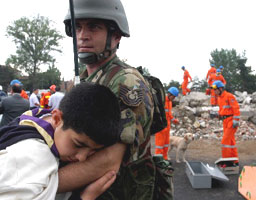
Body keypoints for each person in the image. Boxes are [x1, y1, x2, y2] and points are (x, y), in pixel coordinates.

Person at [60, 0, 160, 199]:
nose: (82, 36)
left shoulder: (126, 82)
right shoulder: (85, 80)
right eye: (78, 27)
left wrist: (37, 184)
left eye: (94, 27)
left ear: (115, 36)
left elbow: (109, 161)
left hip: (121, 192)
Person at [0, 83, 121, 200]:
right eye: (78, 144)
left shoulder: (37, 116)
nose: (82, 158)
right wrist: (85, 197)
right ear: (57, 119)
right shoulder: (36, 157)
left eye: (93, 151)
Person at [211, 80, 240, 167]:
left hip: (231, 121)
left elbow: (236, 108)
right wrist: (217, 115)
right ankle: (235, 160)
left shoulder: (229, 96)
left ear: (220, 88)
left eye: (215, 89)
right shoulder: (220, 98)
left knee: (225, 141)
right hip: (225, 121)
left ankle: (227, 162)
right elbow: (223, 110)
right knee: (231, 142)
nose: (214, 91)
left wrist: (236, 119)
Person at [155, 87, 180, 160]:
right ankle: (158, 160)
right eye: (173, 96)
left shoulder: (170, 102)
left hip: (167, 126)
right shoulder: (162, 101)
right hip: (160, 126)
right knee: (160, 144)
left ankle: (164, 158)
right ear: (169, 94)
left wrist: (174, 120)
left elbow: (169, 114)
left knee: (166, 144)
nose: (174, 98)